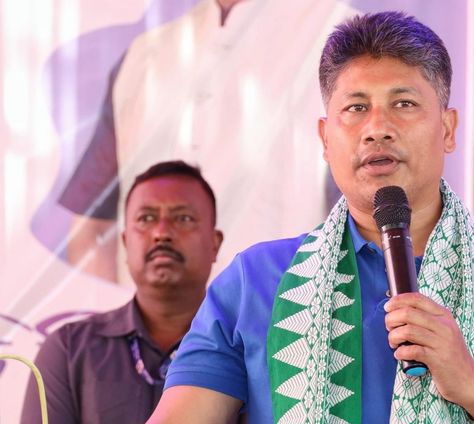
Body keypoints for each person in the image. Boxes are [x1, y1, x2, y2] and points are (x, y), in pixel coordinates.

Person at [136, 12, 474, 424]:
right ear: (325, 139)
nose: (377, 128)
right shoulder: (254, 282)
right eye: (356, 108)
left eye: (404, 103)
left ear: (448, 129)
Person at [57, 0, 356, 284]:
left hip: (283, 316)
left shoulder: (348, 45)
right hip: (147, 319)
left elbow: (362, 237)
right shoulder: (143, 57)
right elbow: (91, 232)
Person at [16, 161, 243, 424]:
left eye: (183, 218)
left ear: (215, 243)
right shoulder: (69, 348)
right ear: (125, 242)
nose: (161, 233)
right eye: (146, 219)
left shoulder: (246, 347)